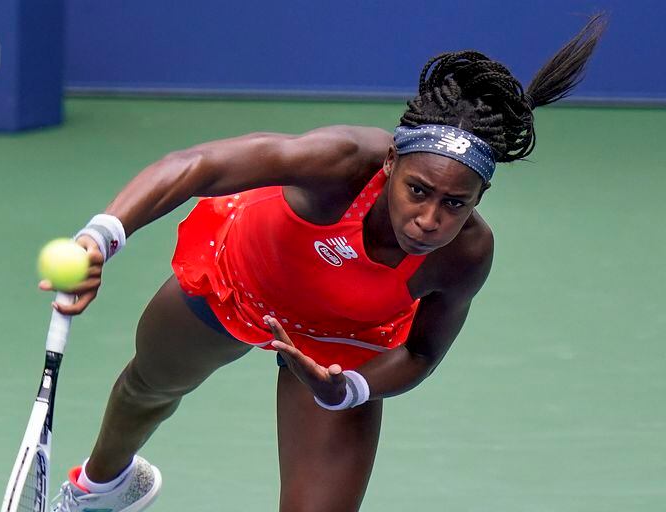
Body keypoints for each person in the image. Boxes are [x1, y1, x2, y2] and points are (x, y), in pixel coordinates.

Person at [46, 15, 606, 512]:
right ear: (391, 162)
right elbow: (198, 165)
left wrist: (349, 390)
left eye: (455, 203)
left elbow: (420, 352)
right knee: (149, 387)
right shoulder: (339, 163)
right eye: (418, 190)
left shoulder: (465, 256)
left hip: (343, 345)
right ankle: (102, 488)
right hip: (241, 279)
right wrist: (102, 235)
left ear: (478, 199)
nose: (430, 219)